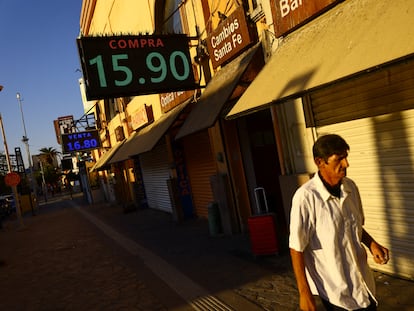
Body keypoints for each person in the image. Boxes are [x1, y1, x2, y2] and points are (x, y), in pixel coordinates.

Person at [289, 134, 389, 311]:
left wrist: (372, 244)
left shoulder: (351, 187)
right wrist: (304, 293)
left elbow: (356, 226)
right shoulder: (306, 198)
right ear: (320, 162)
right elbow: (296, 247)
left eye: (346, 157)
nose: (346, 164)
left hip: (363, 285)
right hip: (335, 292)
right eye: (339, 159)